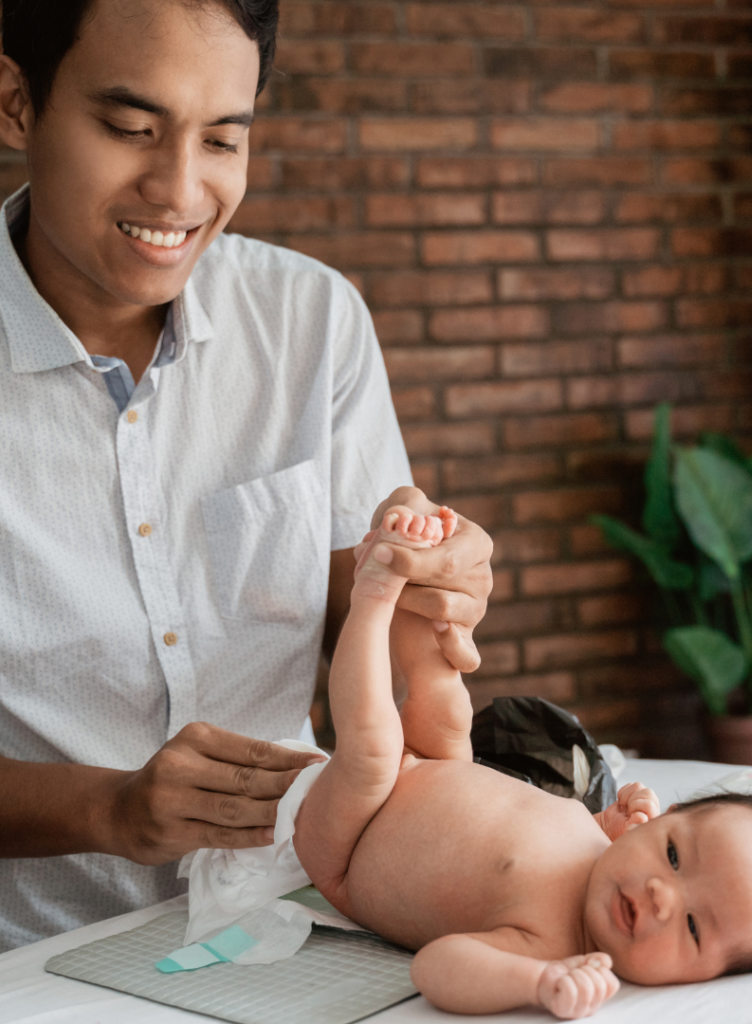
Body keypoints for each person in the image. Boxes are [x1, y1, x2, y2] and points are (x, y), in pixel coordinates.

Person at [0, 0, 492, 951]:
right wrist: (113, 811)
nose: (180, 190)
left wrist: (430, 579)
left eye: (222, 140)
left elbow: (370, 610)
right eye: (131, 129)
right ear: (17, 105)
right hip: (34, 965)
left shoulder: (313, 320)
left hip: (302, 916)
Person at [293, 508, 752, 1019]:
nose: (661, 894)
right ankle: (416, 566)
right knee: (445, 704)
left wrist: (535, 982)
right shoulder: (607, 848)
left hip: (349, 841)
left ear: (708, 977)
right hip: (441, 765)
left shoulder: (553, 942)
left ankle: (374, 593)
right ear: (667, 817)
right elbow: (562, 823)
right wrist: (612, 820)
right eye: (673, 853)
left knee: (371, 751)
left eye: (694, 927)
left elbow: (436, 967)